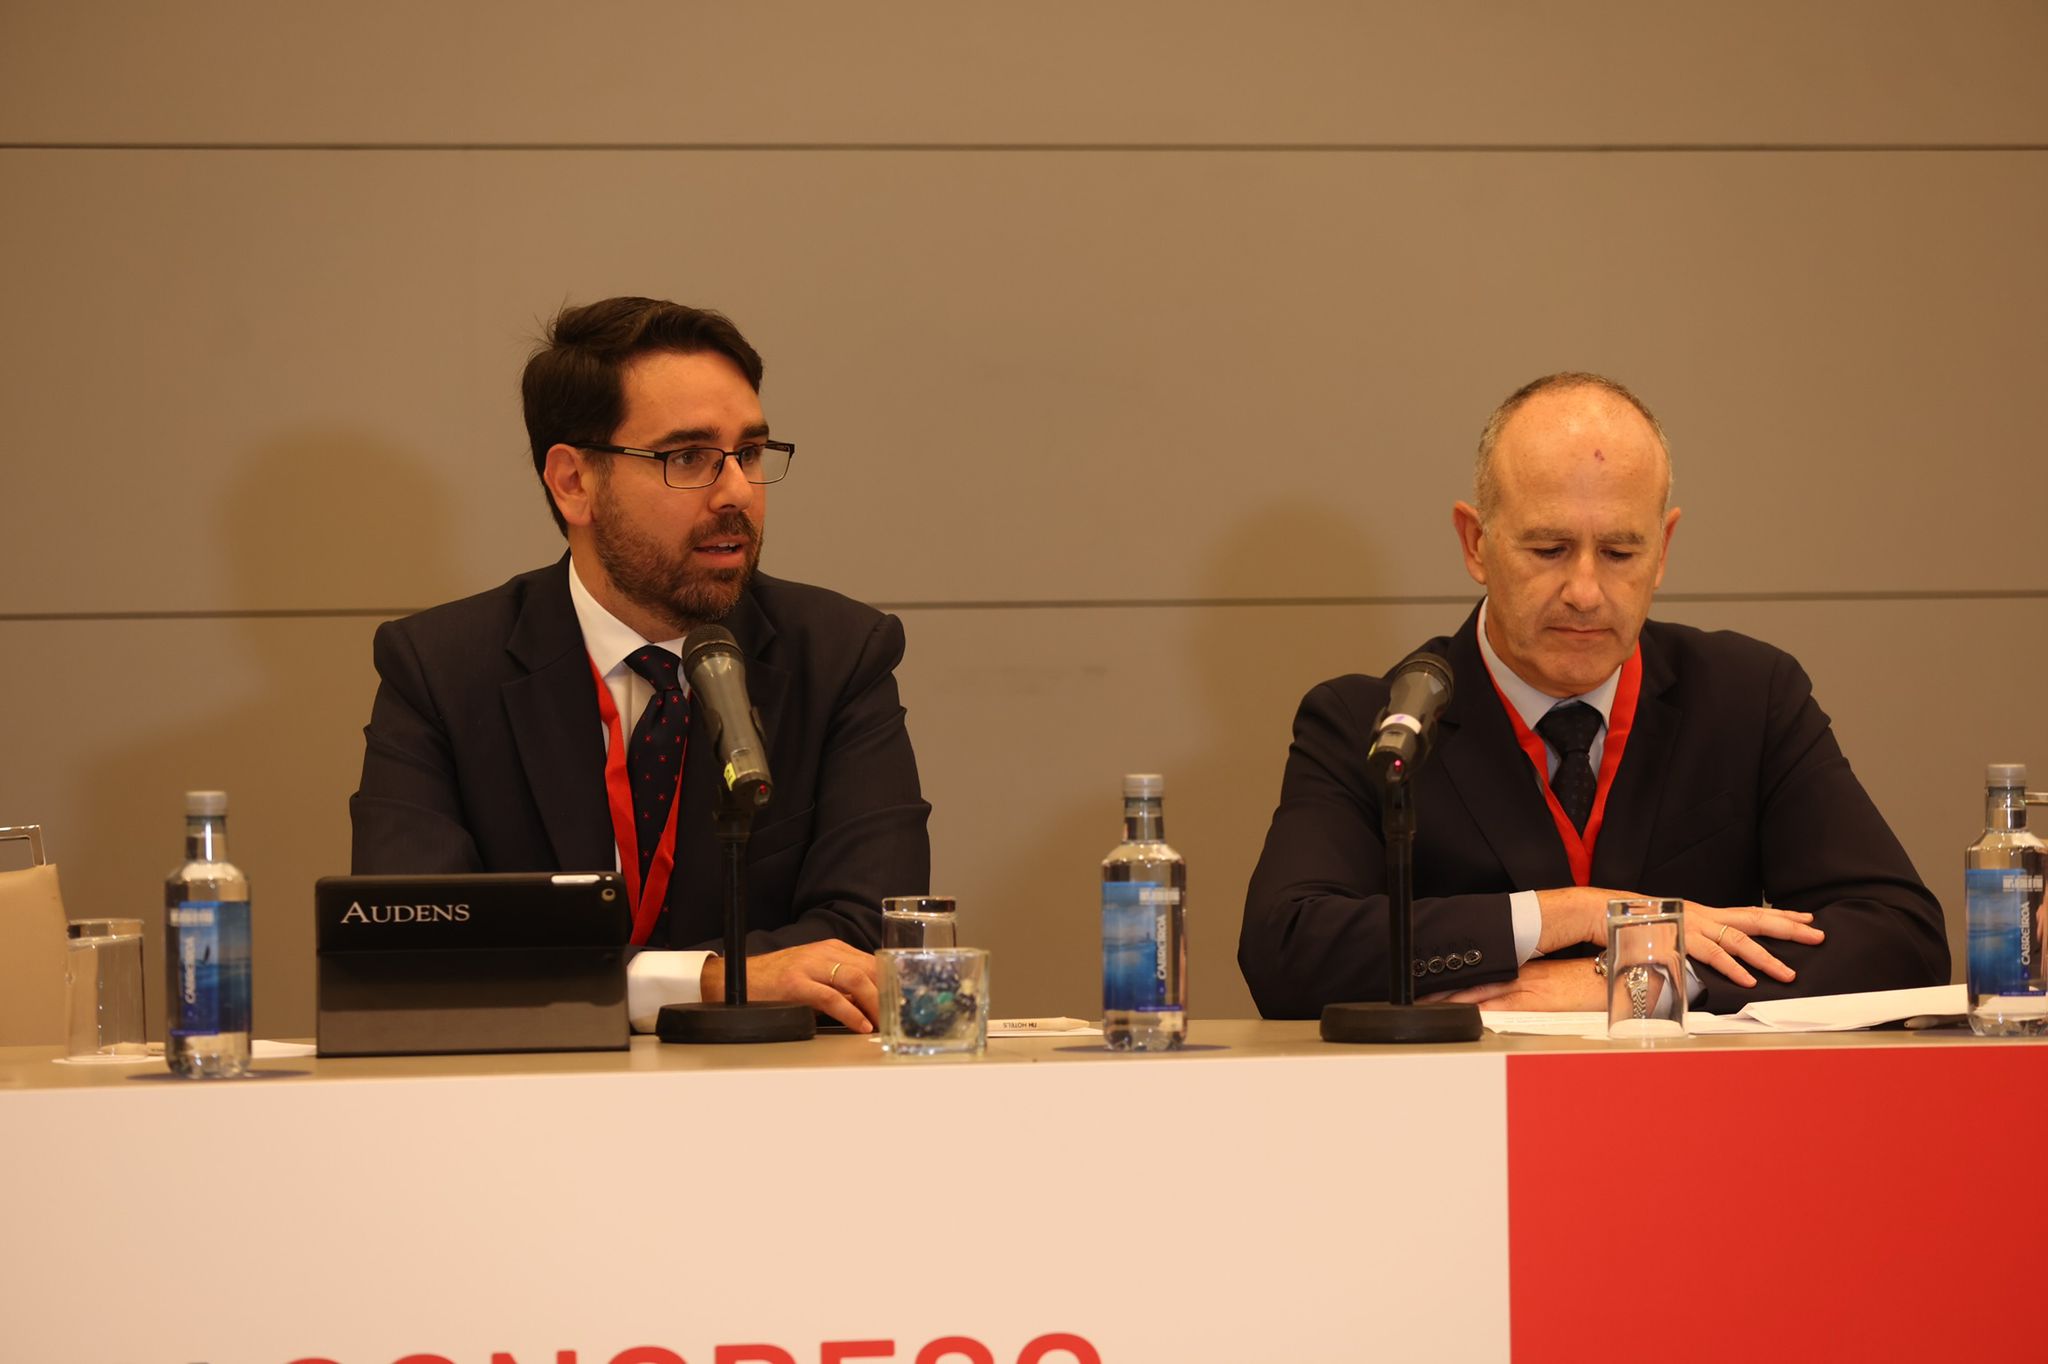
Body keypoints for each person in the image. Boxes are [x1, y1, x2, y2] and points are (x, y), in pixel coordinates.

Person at [1239, 372, 1948, 1017]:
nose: (1584, 591)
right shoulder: (1376, 723)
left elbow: (1902, 937)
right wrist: (1569, 914)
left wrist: (1644, 978)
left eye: (1619, 553)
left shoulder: (1747, 697)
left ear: (1663, 549)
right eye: (1548, 550)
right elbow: (1284, 951)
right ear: (1476, 542)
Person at [351, 297, 930, 1032]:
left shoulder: (839, 655)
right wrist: (709, 980)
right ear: (573, 482)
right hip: (524, 1092)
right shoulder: (442, 670)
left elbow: (872, 937)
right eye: (687, 458)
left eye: (750, 453)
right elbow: (415, 949)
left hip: (771, 1084)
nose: (737, 493)